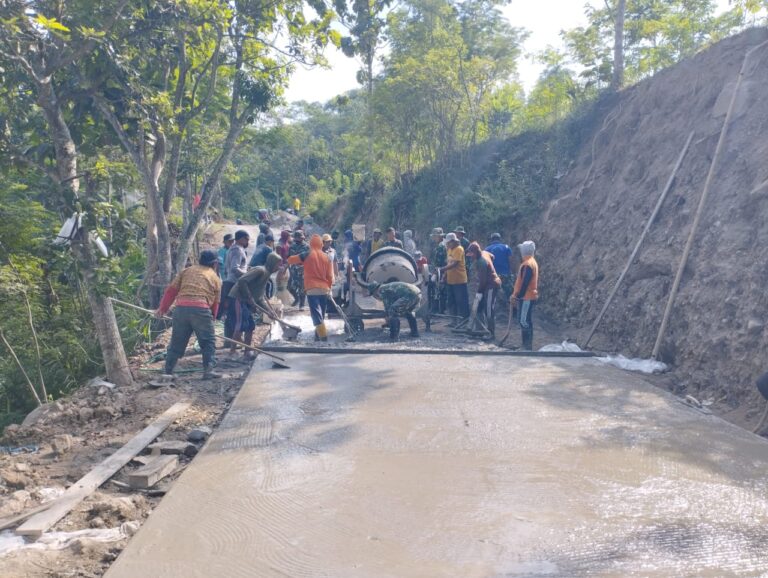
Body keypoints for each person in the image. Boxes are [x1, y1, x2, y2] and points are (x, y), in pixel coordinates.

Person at [156, 250, 222, 380]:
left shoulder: (187, 271)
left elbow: (171, 291)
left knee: (177, 341)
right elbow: (216, 302)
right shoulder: (215, 277)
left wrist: (162, 309)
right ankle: (208, 370)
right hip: (201, 310)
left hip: (181, 309)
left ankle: (168, 371)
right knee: (208, 341)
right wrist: (212, 318)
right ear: (214, 264)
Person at [228, 253, 282, 359]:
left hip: (247, 301)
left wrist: (269, 311)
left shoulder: (267, 274)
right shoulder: (260, 270)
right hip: (238, 298)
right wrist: (249, 297)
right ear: (272, 263)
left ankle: (247, 351)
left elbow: (260, 297)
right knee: (240, 325)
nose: (279, 268)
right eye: (277, 265)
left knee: (250, 326)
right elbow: (242, 281)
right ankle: (232, 351)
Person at [288, 234, 333, 341]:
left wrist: (297, 260)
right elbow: (330, 276)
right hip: (324, 288)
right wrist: (329, 288)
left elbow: (290, 260)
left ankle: (323, 336)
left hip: (312, 289)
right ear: (321, 244)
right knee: (321, 312)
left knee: (316, 314)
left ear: (311, 244)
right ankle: (318, 335)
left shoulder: (306, 254)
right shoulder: (327, 257)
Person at [466, 242, 501, 337]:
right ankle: (481, 330)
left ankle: (491, 332)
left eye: (472, 254)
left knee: (488, 309)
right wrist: (491, 267)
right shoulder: (485, 253)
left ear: (476, 252)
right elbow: (492, 257)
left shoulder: (481, 262)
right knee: (479, 307)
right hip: (486, 284)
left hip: (491, 285)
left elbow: (483, 280)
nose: (471, 257)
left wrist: (479, 292)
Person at [511, 240, 539, 351]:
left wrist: (517, 296)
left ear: (524, 251)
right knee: (526, 320)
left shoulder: (527, 264)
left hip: (526, 296)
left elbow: (524, 283)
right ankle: (526, 345)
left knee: (524, 321)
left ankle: (526, 346)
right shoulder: (531, 262)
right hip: (528, 296)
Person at [219, 230, 249, 325]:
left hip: (229, 281)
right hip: (234, 283)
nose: (248, 241)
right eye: (247, 239)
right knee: (235, 314)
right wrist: (247, 275)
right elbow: (234, 268)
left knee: (231, 313)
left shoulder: (233, 248)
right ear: (241, 239)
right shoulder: (237, 250)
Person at [440, 232, 469, 320]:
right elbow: (448, 263)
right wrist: (444, 276)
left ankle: (464, 320)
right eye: (447, 243)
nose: (448, 244)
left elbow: (454, 264)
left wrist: (442, 269)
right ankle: (454, 320)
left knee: (461, 301)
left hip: (459, 280)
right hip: (450, 280)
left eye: (449, 243)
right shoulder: (449, 250)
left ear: (453, 241)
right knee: (451, 301)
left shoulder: (459, 249)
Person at [485, 233, 514, 301]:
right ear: (500, 239)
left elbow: (486, 264)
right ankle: (511, 307)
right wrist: (512, 271)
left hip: (493, 275)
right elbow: (511, 261)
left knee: (492, 293)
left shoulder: (487, 249)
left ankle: (492, 308)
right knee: (509, 292)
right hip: (505, 274)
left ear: (491, 240)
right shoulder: (506, 247)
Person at [288, 230, 310, 309]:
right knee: (289, 287)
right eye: (298, 238)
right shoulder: (292, 246)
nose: (300, 239)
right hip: (293, 269)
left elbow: (309, 259)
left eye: (301, 238)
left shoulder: (307, 247)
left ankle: (302, 304)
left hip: (302, 269)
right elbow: (289, 257)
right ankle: (296, 299)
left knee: (302, 288)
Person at [428, 227, 448, 314]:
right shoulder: (443, 244)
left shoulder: (441, 246)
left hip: (441, 271)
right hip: (442, 270)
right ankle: (441, 309)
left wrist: (435, 272)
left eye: (435, 236)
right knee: (441, 291)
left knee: (440, 290)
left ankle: (440, 310)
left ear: (439, 236)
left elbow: (439, 261)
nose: (434, 238)